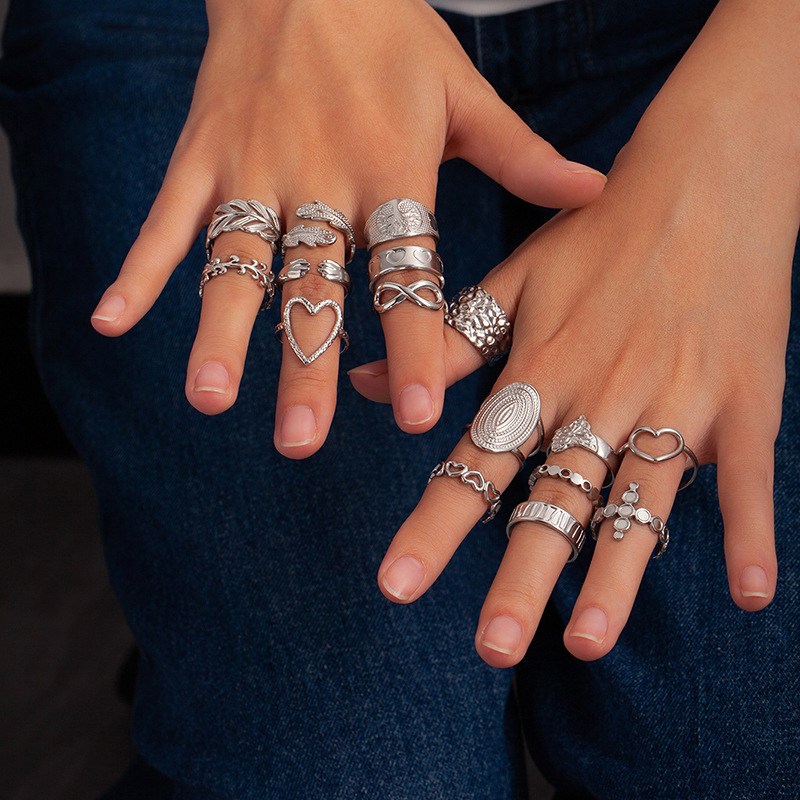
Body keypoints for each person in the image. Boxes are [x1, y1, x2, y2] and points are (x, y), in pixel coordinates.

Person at [1, 0, 798, 797]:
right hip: (216, 28)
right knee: (364, 770)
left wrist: (741, 139)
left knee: (733, 765)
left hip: (731, 46)